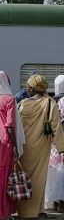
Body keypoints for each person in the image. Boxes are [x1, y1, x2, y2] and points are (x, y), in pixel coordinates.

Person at [17, 74, 64, 219]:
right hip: (42, 145)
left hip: (25, 146)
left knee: (25, 177)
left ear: (32, 88)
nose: (26, 88)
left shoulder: (23, 103)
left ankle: (26, 211)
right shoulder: (49, 103)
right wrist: (61, 147)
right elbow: (56, 127)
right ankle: (36, 210)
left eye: (28, 85)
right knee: (39, 178)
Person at [0, 71, 24, 220]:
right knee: (5, 174)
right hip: (6, 142)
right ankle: (2, 212)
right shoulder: (9, 99)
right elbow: (9, 126)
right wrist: (14, 145)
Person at [45, 75, 64, 211]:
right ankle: (62, 204)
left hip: (53, 141)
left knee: (54, 171)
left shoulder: (52, 101)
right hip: (62, 140)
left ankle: (54, 203)